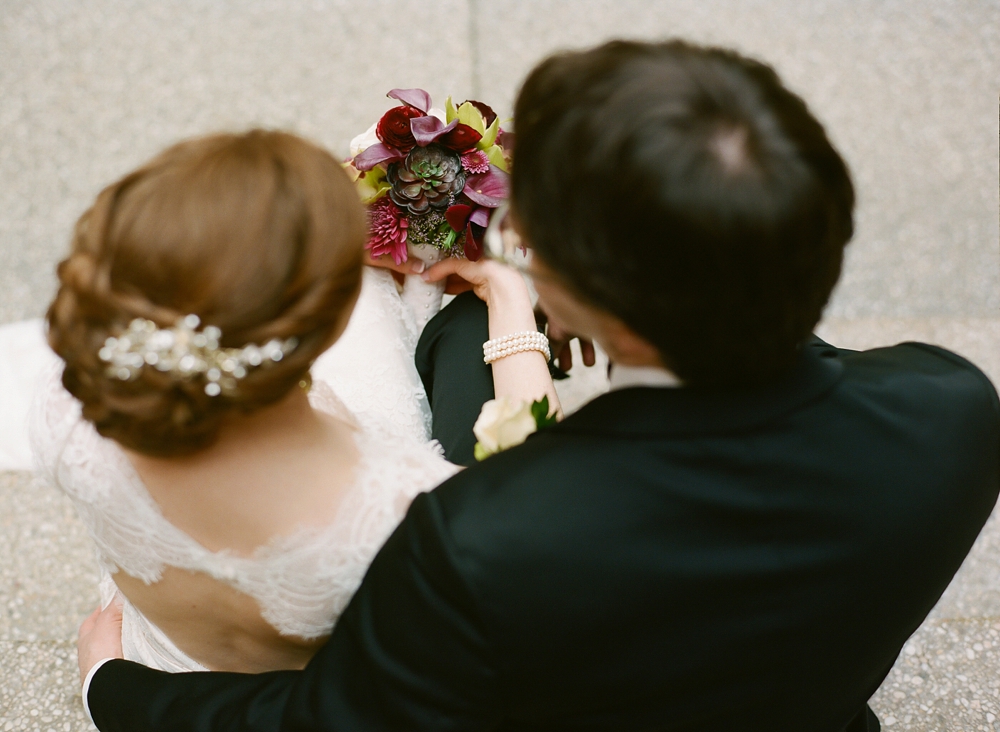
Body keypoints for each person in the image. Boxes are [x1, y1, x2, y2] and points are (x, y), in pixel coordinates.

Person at [78, 40, 999, 732]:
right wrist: (512, 303)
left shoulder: (476, 543)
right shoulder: (953, 407)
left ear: (583, 292)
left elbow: (331, 722)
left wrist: (114, 686)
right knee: (467, 336)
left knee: (454, 341)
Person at [31, 129, 557, 674]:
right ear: (328, 330)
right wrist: (510, 297)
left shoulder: (68, 408)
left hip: (147, 658)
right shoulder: (402, 504)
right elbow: (547, 522)